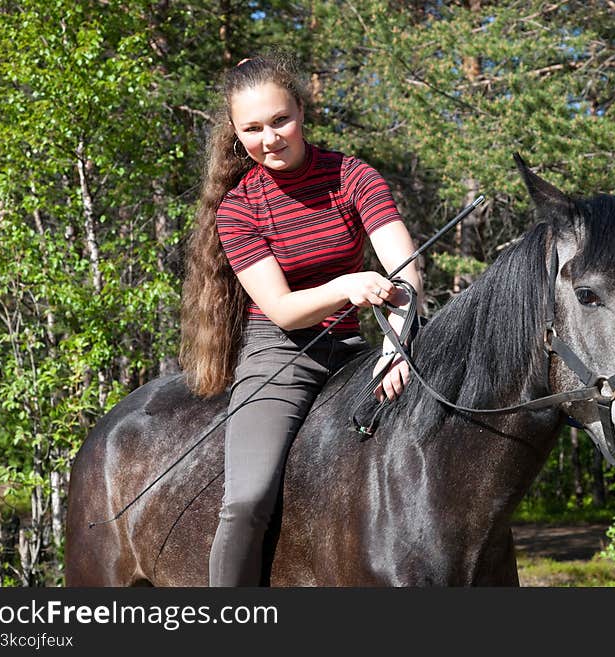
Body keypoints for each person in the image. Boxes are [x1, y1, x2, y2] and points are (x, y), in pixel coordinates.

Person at [178, 49, 423, 587]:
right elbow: (285, 309)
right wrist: (346, 286)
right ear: (235, 133)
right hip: (280, 350)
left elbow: (404, 270)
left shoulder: (352, 176)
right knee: (247, 499)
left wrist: (396, 348)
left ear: (301, 112)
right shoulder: (239, 208)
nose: (270, 139)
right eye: (253, 128)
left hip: (357, 347)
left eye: (280, 120)